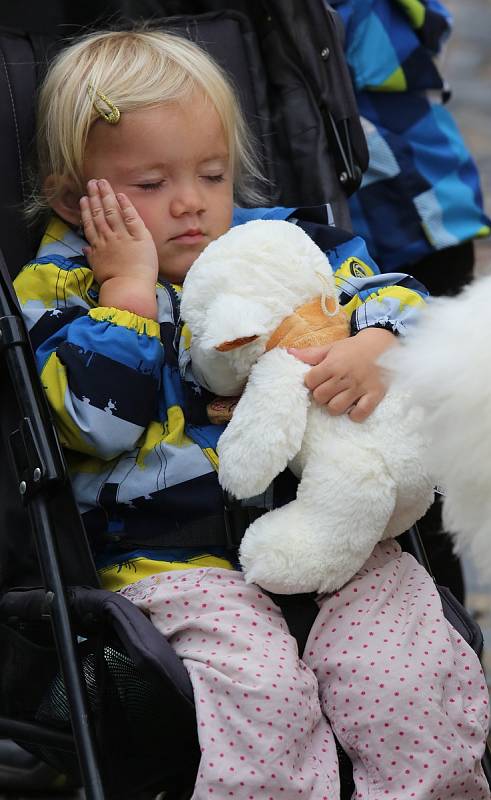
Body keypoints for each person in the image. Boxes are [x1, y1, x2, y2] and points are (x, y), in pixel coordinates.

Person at [14, 27, 490, 799]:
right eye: (149, 185)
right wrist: (128, 297)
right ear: (76, 198)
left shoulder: (276, 244)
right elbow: (94, 425)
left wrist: (375, 339)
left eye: (211, 173)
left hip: (334, 536)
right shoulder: (60, 289)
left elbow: (393, 291)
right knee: (261, 695)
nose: (189, 203)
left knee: (410, 678)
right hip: (176, 565)